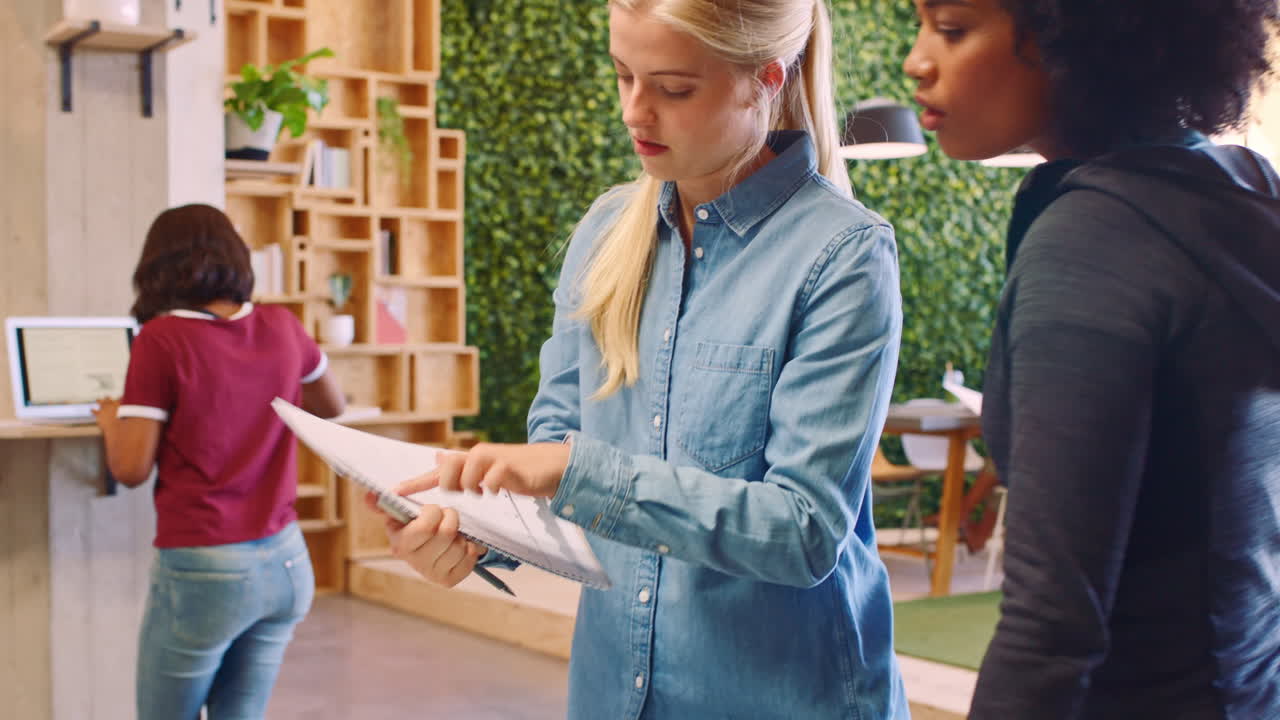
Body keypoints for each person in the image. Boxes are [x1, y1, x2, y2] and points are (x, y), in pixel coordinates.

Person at [368, 1, 909, 717]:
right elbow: (555, 482)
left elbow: (802, 531)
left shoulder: (842, 256)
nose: (635, 112)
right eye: (623, 75)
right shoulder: (604, 235)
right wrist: (466, 535)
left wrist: (573, 470)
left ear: (765, 78)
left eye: (673, 88)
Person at [904, 1, 1280, 717]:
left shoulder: (1093, 241)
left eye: (951, 29)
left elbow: (1053, 627)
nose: (917, 60)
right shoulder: (1240, 191)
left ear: (1070, 37)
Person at [93, 203, 346, 719]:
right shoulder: (282, 325)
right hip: (287, 562)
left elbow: (131, 469)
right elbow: (331, 406)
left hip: (206, 568)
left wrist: (110, 421)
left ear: (157, 266)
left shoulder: (161, 340)